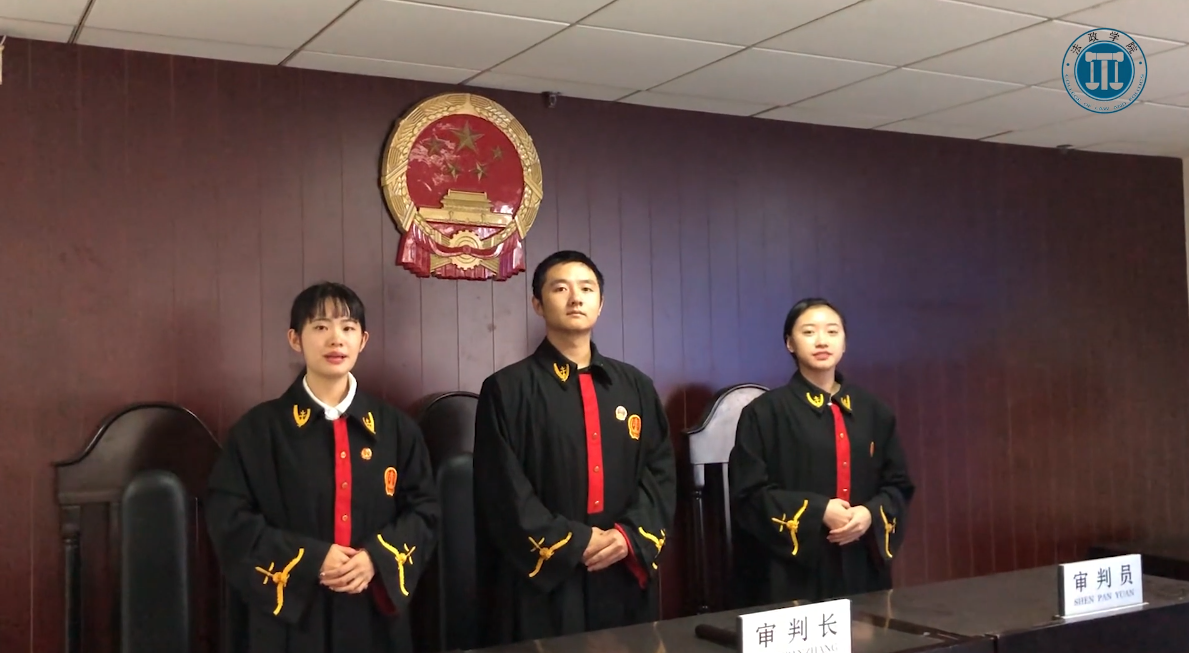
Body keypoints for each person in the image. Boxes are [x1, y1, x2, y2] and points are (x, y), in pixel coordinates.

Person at [205, 282, 439, 653]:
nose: (336, 339)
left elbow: (425, 511)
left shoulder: (397, 430)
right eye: (320, 327)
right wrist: (310, 559)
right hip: (288, 620)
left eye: (348, 328)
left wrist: (376, 558)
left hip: (372, 612)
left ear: (363, 340)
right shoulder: (258, 430)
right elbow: (228, 518)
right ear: (295, 339)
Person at [472, 250, 677, 645]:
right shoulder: (506, 389)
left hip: (622, 564)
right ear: (537, 303)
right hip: (544, 577)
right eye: (560, 288)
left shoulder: (636, 386)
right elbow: (502, 490)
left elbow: (660, 472)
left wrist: (628, 537)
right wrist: (577, 543)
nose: (575, 298)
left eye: (587, 288)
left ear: (600, 303)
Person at [728, 297, 915, 607]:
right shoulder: (764, 413)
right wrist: (819, 511)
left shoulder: (874, 412)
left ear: (844, 343)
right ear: (790, 343)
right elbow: (747, 494)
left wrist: (869, 514)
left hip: (861, 564)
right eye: (809, 332)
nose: (822, 341)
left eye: (832, 331)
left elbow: (898, 485)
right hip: (791, 571)